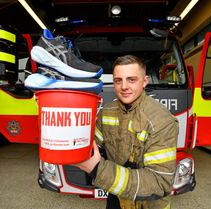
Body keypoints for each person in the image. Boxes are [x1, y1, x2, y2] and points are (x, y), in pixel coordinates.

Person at [74, 55, 179, 209]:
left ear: (145, 81)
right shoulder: (107, 111)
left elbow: (160, 182)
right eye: (118, 80)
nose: (124, 86)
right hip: (116, 197)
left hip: (148, 204)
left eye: (131, 80)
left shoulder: (161, 121)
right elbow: (95, 145)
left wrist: (97, 169)